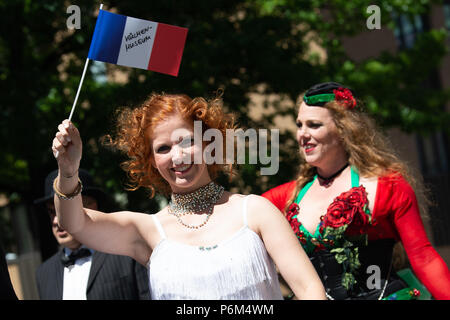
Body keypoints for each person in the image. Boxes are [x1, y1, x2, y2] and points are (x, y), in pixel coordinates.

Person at [50, 93, 326, 300]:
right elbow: (75, 223)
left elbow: (309, 288)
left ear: (208, 142)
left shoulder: (255, 211)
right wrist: (68, 170)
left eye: (187, 141)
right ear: (152, 161)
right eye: (163, 148)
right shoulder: (147, 230)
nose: (177, 156)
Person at [262, 82, 450, 300]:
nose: (302, 135)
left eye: (314, 125)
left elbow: (424, 258)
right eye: (299, 125)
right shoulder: (283, 198)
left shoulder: (388, 187)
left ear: (344, 130)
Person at [34, 169, 150, 300]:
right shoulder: (44, 273)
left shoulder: (127, 253)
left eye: (66, 211)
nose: (57, 220)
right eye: (52, 212)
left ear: (94, 208)